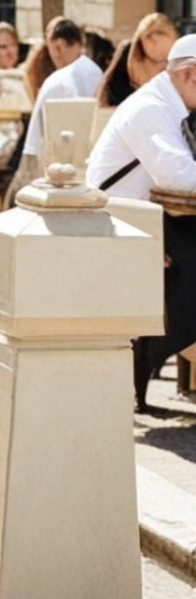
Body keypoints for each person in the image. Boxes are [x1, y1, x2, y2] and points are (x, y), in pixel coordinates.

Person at [87, 34, 196, 412]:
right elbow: (180, 177)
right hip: (118, 224)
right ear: (190, 75)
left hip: (144, 220)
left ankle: (160, 345)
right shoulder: (151, 109)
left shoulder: (166, 104)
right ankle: (153, 344)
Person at [20, 19, 103, 164]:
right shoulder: (99, 74)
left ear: (58, 47)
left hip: (58, 164)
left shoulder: (54, 82)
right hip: (96, 159)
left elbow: (34, 143)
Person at [97, 13, 178, 107]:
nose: (155, 40)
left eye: (161, 34)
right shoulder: (128, 57)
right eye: (150, 36)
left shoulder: (179, 61)